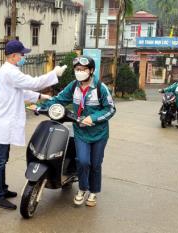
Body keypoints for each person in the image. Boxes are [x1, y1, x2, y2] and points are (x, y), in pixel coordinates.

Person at [0, 40, 67, 210]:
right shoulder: (10, 72)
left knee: (3, 158)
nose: (24, 56)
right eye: (22, 54)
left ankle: (2, 189)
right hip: (2, 123)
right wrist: (54, 73)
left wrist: (42, 97)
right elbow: (33, 83)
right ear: (14, 56)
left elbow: (22, 91)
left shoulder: (11, 71)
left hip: (5, 122)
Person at [39, 56, 116, 207]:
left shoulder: (100, 88)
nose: (80, 72)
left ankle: (93, 192)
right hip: (80, 131)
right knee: (82, 161)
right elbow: (59, 99)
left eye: (83, 69)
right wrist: (42, 107)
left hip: (99, 133)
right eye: (77, 69)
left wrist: (93, 118)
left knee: (95, 164)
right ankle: (82, 189)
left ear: (91, 70)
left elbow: (111, 109)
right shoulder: (74, 86)